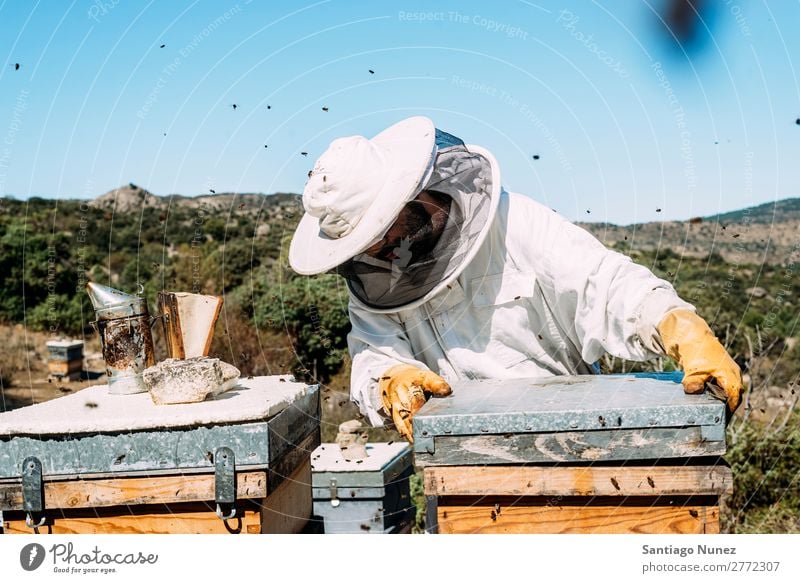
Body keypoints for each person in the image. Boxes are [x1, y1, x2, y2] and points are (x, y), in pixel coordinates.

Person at [289, 116, 742, 441]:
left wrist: (675, 323)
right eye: (363, 249)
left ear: (408, 201)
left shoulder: (515, 223)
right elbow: (373, 352)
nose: (378, 254)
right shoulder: (374, 281)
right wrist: (390, 379)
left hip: (577, 439)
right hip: (458, 457)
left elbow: (601, 283)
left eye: (380, 236)